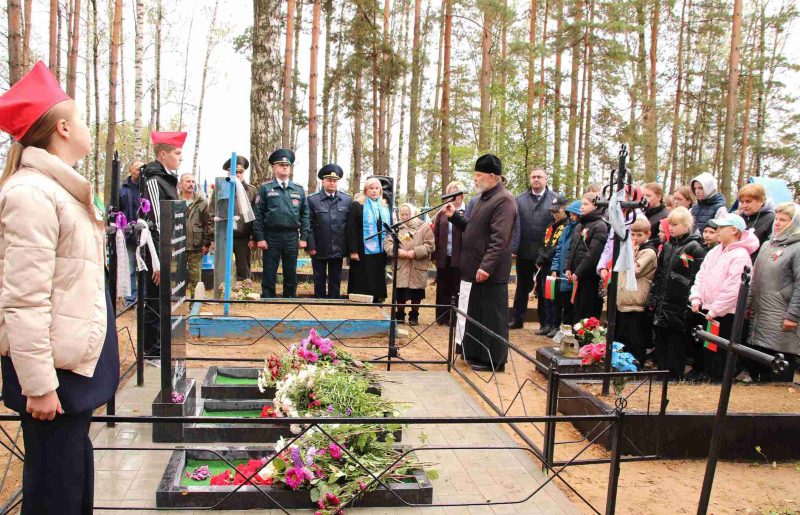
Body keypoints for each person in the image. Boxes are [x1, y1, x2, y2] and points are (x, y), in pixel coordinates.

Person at [0, 61, 119, 515]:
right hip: (53, 379)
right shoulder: (31, 193)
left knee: (70, 484)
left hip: (68, 371)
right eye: (82, 118)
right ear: (63, 128)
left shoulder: (57, 189)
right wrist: (39, 385)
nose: (88, 127)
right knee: (55, 494)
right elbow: (23, 299)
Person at [444, 154, 518, 372]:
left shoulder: (504, 200)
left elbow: (499, 239)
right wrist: (455, 217)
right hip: (473, 267)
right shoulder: (484, 198)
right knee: (477, 314)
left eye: (478, 175)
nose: (475, 179)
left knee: (492, 317)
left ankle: (494, 360)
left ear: (492, 176)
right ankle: (476, 354)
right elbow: (474, 229)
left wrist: (486, 266)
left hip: (490, 271)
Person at [690, 213, 759, 382]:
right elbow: (701, 274)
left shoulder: (740, 255)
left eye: (721, 227)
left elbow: (734, 288)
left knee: (721, 351)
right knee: (709, 347)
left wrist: (716, 309)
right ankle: (709, 376)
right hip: (708, 309)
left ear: (734, 230)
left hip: (726, 313)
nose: (717, 231)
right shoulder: (715, 251)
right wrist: (696, 297)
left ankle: (719, 380)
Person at [140, 130, 185, 362]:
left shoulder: (167, 180)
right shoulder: (154, 181)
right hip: (157, 252)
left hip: (168, 251)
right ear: (163, 154)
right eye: (177, 153)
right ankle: (152, 351)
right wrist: (158, 261)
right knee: (155, 300)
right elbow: (156, 223)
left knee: (163, 299)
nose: (180, 157)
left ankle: (161, 345)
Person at [647, 207, 706, 380]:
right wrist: (653, 297)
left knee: (675, 342)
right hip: (663, 301)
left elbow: (696, 277)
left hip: (680, 303)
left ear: (686, 225)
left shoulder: (695, 248)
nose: (671, 228)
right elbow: (659, 274)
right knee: (661, 339)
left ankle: (673, 375)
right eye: (670, 224)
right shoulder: (667, 246)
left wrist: (688, 302)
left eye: (675, 225)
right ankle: (661, 372)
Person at [748, 202, 800, 382]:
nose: (776, 223)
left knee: (780, 364)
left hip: (783, 315)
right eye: (776, 219)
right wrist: (748, 304)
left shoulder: (797, 248)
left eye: (783, 220)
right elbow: (755, 278)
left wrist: (792, 315)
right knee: (761, 360)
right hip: (761, 313)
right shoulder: (767, 245)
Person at [253, 149, 311, 298]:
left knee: (290, 269)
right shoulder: (265, 188)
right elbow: (258, 215)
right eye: (281, 165)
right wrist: (260, 238)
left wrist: (304, 237)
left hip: (291, 235)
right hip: (271, 235)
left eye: (287, 165)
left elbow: (305, 215)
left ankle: (290, 297)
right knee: (269, 269)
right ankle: (268, 297)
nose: (285, 167)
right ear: (274, 167)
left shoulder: (298, 189)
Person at [510, 168, 558, 330]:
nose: (536, 179)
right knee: (522, 287)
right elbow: (514, 226)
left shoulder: (555, 200)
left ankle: (545, 323)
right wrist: (514, 248)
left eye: (539, 177)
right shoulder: (519, 199)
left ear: (546, 179)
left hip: (545, 253)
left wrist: (549, 251)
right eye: (533, 177)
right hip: (524, 251)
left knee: (544, 289)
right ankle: (517, 319)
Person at [613, 217, 658, 366]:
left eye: (639, 235)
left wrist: (630, 252)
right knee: (623, 336)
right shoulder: (631, 249)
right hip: (624, 298)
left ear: (648, 234)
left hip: (636, 300)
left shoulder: (649, 252)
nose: (635, 238)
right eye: (632, 234)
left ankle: (637, 363)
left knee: (635, 337)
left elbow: (635, 270)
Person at [307, 164, 352, 298]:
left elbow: (349, 225)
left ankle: (334, 300)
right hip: (319, 246)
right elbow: (308, 225)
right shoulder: (312, 200)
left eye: (335, 181)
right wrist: (311, 245)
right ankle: (320, 300)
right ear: (323, 181)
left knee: (336, 277)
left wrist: (349, 247)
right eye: (329, 180)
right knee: (319, 276)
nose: (332, 183)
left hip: (339, 246)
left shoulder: (346, 199)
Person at [385, 203, 435, 325]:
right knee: (400, 293)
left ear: (413, 214)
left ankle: (414, 316)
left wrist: (415, 252)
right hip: (401, 266)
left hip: (417, 266)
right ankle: (400, 314)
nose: (404, 217)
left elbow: (430, 245)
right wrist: (398, 251)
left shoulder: (424, 227)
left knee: (416, 293)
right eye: (402, 214)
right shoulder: (396, 228)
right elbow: (387, 244)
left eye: (407, 214)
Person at [565, 192, 609, 321]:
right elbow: (571, 248)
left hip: (590, 277)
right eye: (581, 204)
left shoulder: (600, 226)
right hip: (577, 276)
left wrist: (578, 272)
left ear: (596, 206)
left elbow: (593, 253)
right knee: (577, 310)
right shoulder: (579, 225)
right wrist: (568, 268)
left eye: (586, 204)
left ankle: (586, 333)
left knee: (587, 311)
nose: (582, 207)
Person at [346, 177, 391, 302]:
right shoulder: (358, 205)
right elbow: (351, 229)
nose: (374, 191)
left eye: (377, 188)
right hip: (362, 248)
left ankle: (378, 297)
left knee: (378, 272)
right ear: (365, 190)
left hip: (380, 248)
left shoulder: (384, 206)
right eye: (371, 188)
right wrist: (353, 250)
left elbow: (389, 227)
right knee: (363, 273)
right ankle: (362, 297)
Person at [432, 181, 466, 325]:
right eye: (449, 194)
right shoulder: (442, 212)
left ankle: (456, 317)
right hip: (444, 255)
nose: (452, 197)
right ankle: (442, 317)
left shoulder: (467, 211)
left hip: (460, 257)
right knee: (443, 287)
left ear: (462, 195)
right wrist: (434, 254)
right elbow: (436, 233)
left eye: (455, 194)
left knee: (457, 287)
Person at [535, 194, 569, 337]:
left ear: (564, 210)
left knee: (555, 297)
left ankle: (555, 325)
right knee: (546, 295)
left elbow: (557, 247)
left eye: (557, 211)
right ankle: (547, 324)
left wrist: (545, 256)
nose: (554, 214)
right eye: (552, 211)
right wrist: (540, 257)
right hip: (545, 266)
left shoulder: (566, 227)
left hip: (556, 266)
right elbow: (543, 244)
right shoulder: (550, 227)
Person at [224, 155, 258, 283]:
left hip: (244, 236)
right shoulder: (221, 189)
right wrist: (212, 237)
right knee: (223, 268)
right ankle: (223, 290)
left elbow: (256, 216)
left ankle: (244, 290)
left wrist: (253, 237)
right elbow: (212, 213)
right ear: (228, 172)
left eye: (240, 172)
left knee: (243, 269)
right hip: (224, 236)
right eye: (235, 172)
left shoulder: (251, 190)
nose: (238, 175)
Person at [178, 173, 213, 294]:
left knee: (195, 277)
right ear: (181, 184)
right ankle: (177, 300)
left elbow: (207, 224)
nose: (191, 184)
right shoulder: (175, 200)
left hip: (195, 245)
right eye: (188, 181)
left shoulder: (202, 202)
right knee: (177, 276)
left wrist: (206, 244)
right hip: (178, 245)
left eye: (193, 182)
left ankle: (195, 301)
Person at [551, 200, 582, 327]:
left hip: (574, 275)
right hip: (563, 275)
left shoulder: (581, 229)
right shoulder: (567, 229)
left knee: (574, 305)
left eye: (575, 214)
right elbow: (559, 250)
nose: (572, 217)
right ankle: (564, 328)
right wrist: (555, 268)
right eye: (570, 214)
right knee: (565, 305)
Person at [120, 160, 144, 306]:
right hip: (129, 234)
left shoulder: (146, 187)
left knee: (144, 268)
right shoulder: (123, 188)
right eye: (136, 169)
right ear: (130, 170)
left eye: (141, 169)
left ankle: (144, 297)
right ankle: (130, 298)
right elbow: (118, 209)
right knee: (130, 268)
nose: (139, 172)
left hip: (144, 235)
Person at [736, 183, 775, 251]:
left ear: (761, 201)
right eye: (742, 202)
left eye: (748, 201)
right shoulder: (740, 217)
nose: (744, 206)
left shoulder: (772, 219)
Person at [643, 182, 669, 247]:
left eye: (648, 196)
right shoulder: (642, 212)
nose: (645, 199)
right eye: (643, 196)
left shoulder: (665, 216)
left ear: (659, 197)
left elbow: (661, 240)